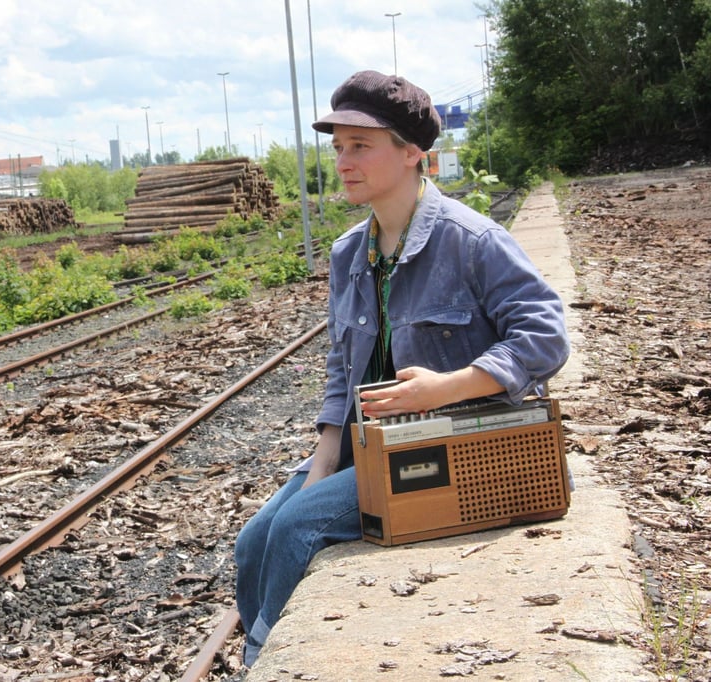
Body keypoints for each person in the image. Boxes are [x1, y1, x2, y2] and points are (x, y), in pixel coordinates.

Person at [233, 70, 570, 667]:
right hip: (378, 446)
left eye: (360, 145)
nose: (343, 161)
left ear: (413, 153)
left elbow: (545, 335)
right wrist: (322, 464)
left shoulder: (472, 241)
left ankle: (263, 663)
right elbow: (343, 370)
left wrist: (446, 388)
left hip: (465, 441)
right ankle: (260, 650)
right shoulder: (349, 253)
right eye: (338, 147)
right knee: (255, 538)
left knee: (297, 529)